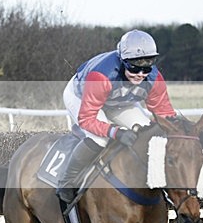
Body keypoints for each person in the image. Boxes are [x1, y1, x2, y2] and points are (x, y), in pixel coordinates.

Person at [56, 29, 177, 204]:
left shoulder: (154, 78)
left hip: (120, 101)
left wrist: (180, 131)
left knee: (148, 135)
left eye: (146, 67)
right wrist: (116, 132)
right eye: (134, 67)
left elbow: (164, 113)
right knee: (100, 139)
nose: (140, 74)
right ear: (123, 61)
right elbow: (87, 119)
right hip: (81, 96)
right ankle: (66, 182)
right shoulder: (101, 76)